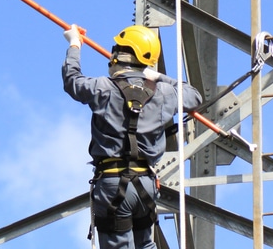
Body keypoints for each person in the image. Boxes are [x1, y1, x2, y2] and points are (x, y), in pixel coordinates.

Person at [63, 24, 202, 249]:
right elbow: (193, 96)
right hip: (145, 185)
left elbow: (72, 81)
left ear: (119, 55)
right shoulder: (164, 92)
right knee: (146, 245)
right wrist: (157, 76)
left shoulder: (103, 88)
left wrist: (74, 45)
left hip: (112, 182)